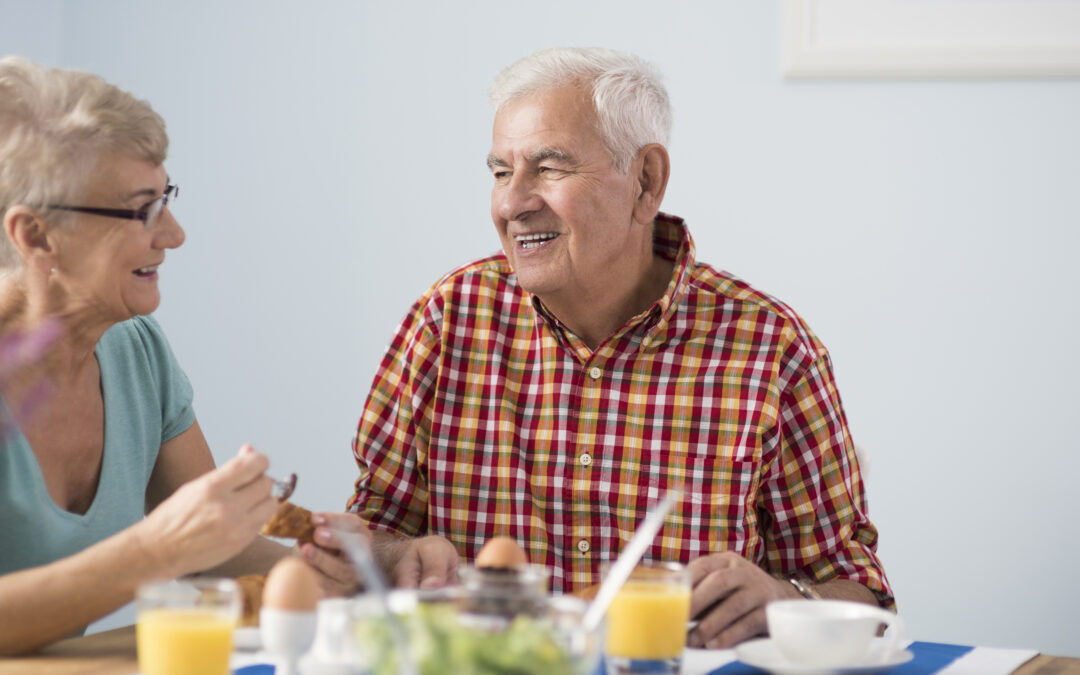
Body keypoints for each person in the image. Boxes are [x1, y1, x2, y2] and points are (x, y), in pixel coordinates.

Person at [346, 47, 895, 649]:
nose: (510, 204)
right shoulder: (448, 320)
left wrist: (786, 599)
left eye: (549, 168)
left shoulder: (772, 350)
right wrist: (399, 556)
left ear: (645, 181)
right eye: (501, 172)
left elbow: (862, 598)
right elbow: (369, 534)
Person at [0, 56, 358, 655]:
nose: (174, 234)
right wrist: (153, 551)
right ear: (36, 235)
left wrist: (338, 572)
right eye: (142, 210)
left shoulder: (134, 349)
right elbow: (173, 544)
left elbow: (213, 547)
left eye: (165, 198)